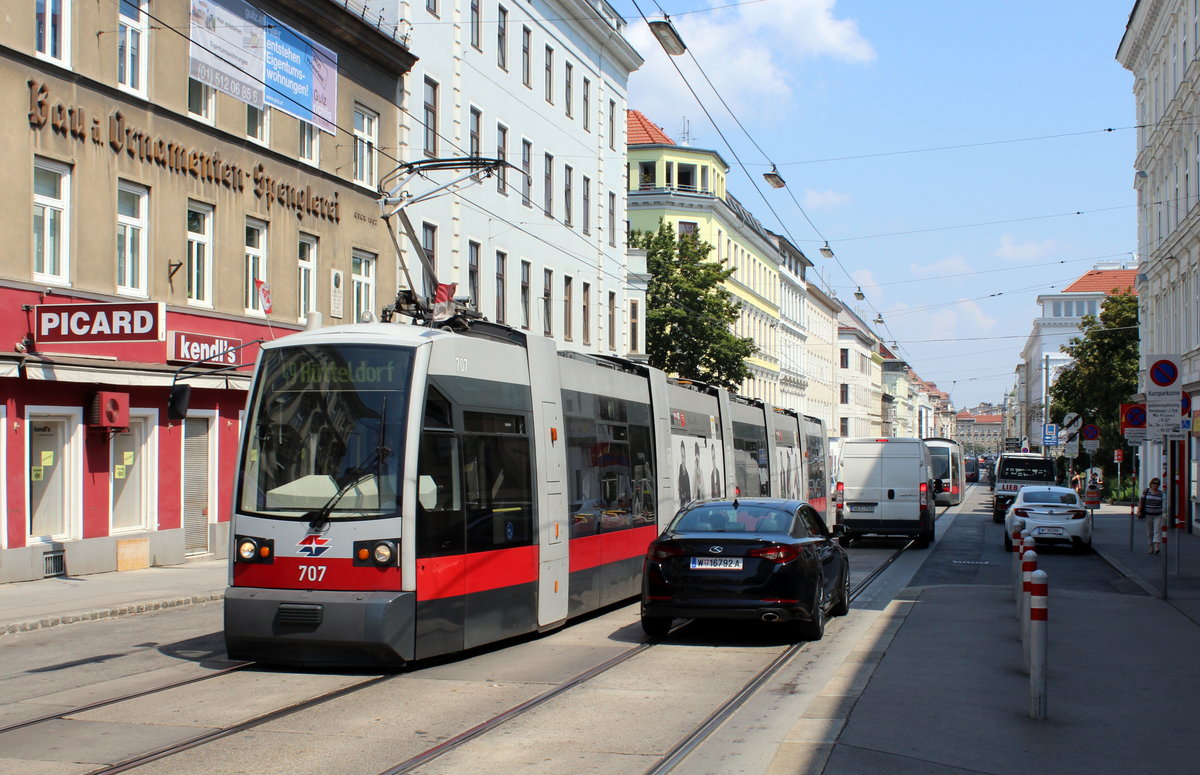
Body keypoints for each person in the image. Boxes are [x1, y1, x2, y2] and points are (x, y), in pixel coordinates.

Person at [1138, 477, 1166, 554]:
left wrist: (1164, 511)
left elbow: (1164, 503)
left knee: (1157, 530)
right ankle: (1151, 547)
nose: (1155, 485)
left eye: (1157, 484)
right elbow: (1141, 501)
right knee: (1149, 532)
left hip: (1158, 514)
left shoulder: (1161, 493)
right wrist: (1139, 510)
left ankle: (1156, 546)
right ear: (1151, 484)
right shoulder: (1146, 491)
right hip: (1148, 514)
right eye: (1154, 483)